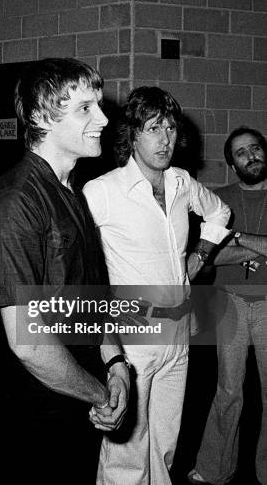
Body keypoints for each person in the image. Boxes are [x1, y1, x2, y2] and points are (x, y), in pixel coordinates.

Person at [0, 58, 130, 484]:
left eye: (98, 105)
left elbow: (91, 298)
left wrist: (116, 361)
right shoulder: (15, 202)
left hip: (80, 385)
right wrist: (99, 393)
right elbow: (28, 344)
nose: (103, 118)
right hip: (38, 400)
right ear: (40, 116)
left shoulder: (72, 191)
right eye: (85, 108)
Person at [83, 86, 231, 485]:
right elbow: (75, 255)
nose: (165, 139)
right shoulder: (103, 191)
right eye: (153, 128)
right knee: (127, 448)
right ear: (132, 134)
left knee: (166, 439)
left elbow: (220, 213)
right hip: (133, 331)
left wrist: (198, 257)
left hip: (178, 329)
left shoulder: (181, 182)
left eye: (169, 128)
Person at [188, 126, 267, 485]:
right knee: (228, 390)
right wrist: (259, 245)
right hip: (229, 302)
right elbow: (207, 259)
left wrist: (236, 238)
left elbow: (221, 249)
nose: (251, 156)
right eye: (241, 153)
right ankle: (214, 468)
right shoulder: (219, 200)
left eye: (255, 148)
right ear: (233, 166)